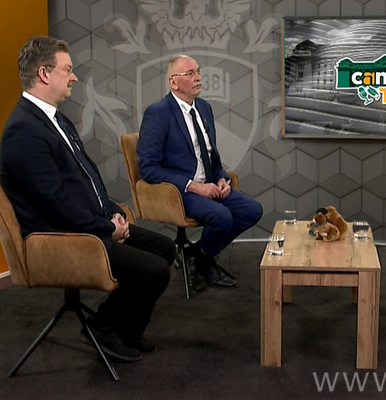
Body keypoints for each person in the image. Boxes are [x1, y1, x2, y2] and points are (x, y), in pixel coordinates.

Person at [0, 36, 176, 361]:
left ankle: (123, 329)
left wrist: (112, 213)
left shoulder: (56, 119)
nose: (74, 77)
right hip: (62, 237)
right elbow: (53, 204)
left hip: (88, 224)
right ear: (44, 74)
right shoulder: (23, 131)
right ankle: (105, 326)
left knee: (164, 248)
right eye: (67, 69)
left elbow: (86, 179)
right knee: (154, 270)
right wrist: (106, 228)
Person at [137, 55, 263, 290]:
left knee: (251, 210)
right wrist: (193, 186)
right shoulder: (158, 113)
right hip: (180, 191)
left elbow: (210, 156)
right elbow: (148, 168)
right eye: (190, 73)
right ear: (173, 82)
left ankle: (197, 255)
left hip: (209, 184)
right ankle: (206, 262)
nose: (198, 78)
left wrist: (222, 178)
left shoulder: (204, 108)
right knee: (221, 216)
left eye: (198, 71)